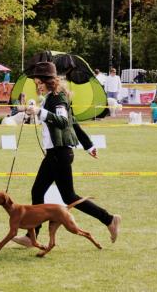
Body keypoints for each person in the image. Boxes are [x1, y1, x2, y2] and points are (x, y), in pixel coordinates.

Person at [20, 61, 121, 245]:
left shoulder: (57, 98)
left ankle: (109, 219)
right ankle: (31, 236)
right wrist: (88, 145)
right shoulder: (52, 97)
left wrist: (39, 112)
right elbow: (73, 123)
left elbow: (63, 122)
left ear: (47, 81)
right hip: (56, 154)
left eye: (38, 83)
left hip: (59, 154)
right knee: (44, 192)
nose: (37, 87)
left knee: (66, 196)